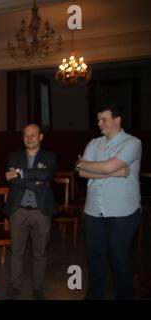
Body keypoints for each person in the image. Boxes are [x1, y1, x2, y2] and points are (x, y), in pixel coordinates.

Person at [76, 105, 142, 300]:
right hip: (93, 212)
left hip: (123, 213)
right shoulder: (94, 143)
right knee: (94, 261)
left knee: (120, 262)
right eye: (98, 120)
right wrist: (115, 171)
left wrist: (89, 165)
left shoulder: (133, 143)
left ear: (117, 120)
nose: (99, 124)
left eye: (103, 119)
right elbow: (81, 171)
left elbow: (105, 167)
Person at [4, 123, 57, 300]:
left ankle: (37, 287)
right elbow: (13, 181)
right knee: (17, 252)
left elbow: (46, 175)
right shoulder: (14, 156)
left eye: (33, 135)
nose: (29, 138)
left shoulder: (50, 156)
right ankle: (14, 286)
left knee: (40, 254)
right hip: (18, 211)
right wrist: (35, 180)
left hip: (41, 211)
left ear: (41, 137)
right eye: (26, 135)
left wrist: (20, 173)